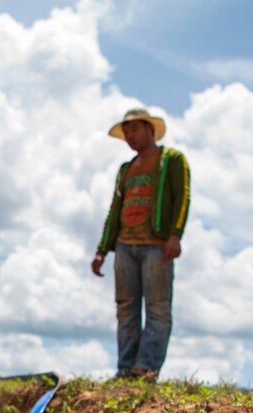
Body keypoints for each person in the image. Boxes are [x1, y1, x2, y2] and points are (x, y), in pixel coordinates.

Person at [91, 107, 190, 380]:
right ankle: (126, 368)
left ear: (149, 129)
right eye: (126, 132)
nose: (129, 136)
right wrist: (102, 250)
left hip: (156, 245)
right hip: (125, 246)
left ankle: (145, 368)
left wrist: (175, 235)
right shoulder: (126, 170)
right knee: (126, 308)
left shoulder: (170, 160)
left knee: (157, 308)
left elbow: (182, 197)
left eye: (134, 129)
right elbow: (115, 210)